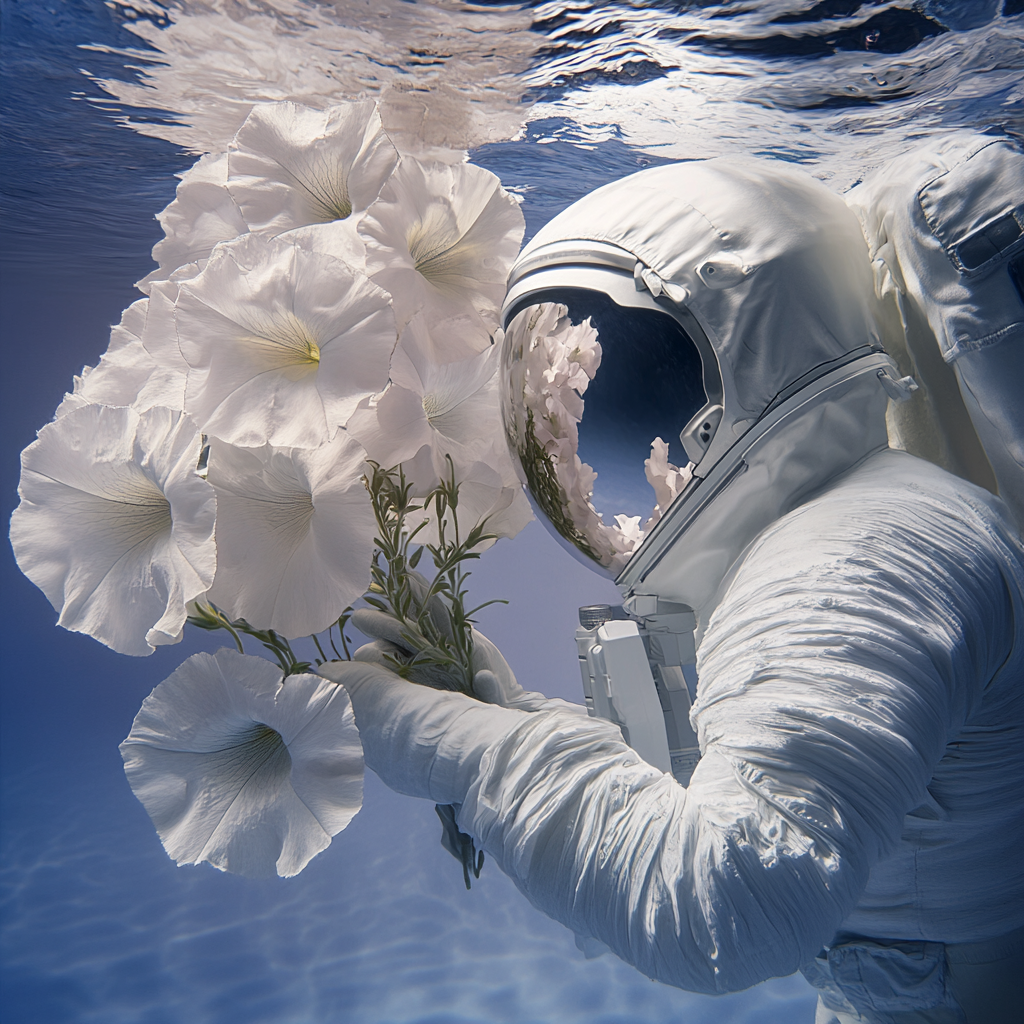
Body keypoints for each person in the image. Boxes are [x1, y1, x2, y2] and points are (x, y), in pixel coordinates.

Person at [320, 133, 1024, 1024]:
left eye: (649, 381)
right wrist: (513, 719)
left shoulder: (861, 559)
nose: (579, 468)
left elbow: (723, 909)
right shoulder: (847, 523)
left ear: (754, 358)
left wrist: (450, 745)